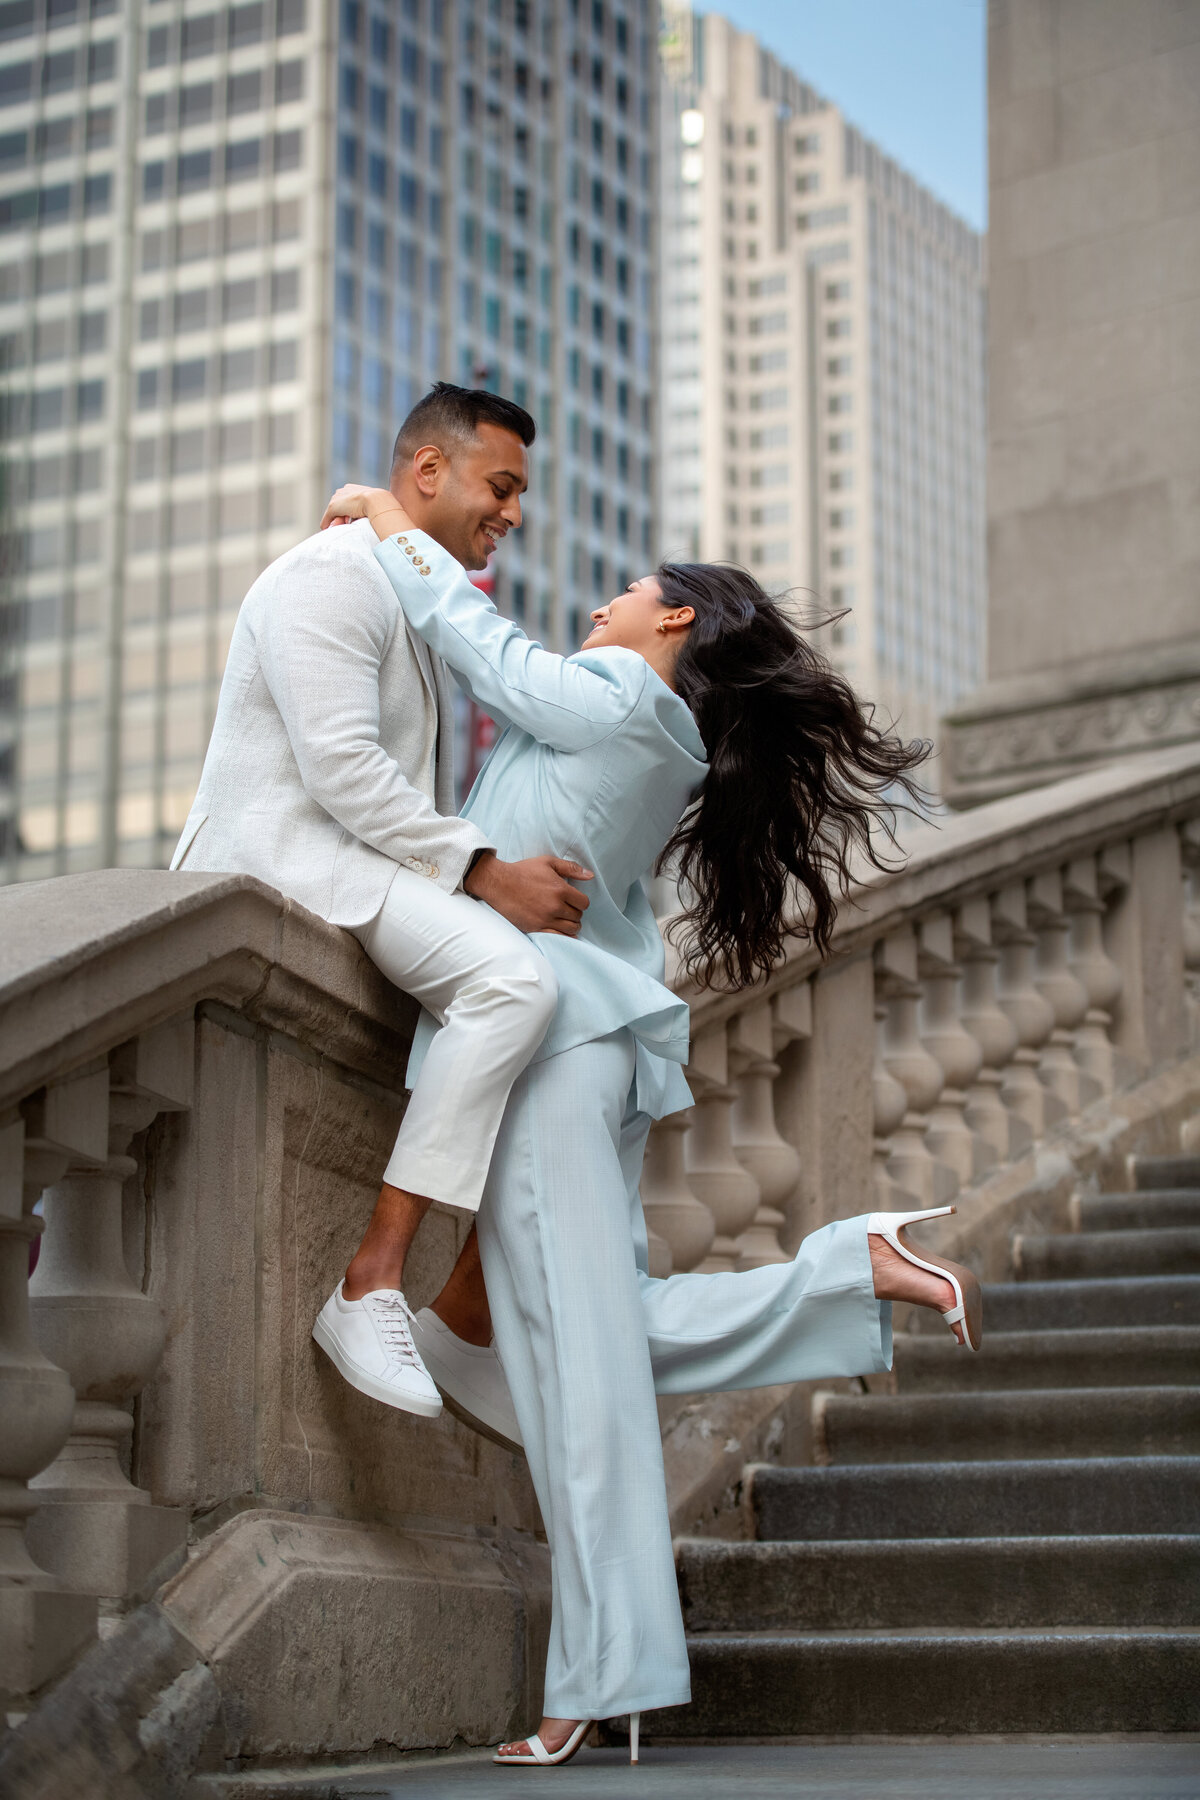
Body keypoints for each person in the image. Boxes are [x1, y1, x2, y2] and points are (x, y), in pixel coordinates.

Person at [319, 481, 984, 1767]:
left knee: (581, 1371)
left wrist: (384, 523)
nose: (596, 602)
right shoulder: (646, 740)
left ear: (672, 620)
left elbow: (486, 653)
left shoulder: (630, 700)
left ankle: (601, 1675)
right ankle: (853, 1266)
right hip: (592, 1047)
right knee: (596, 1339)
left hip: (563, 1052)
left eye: (621, 592)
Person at [170, 383, 595, 1424]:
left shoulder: (399, 582)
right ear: (430, 473)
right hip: (286, 862)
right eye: (502, 486)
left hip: (352, 870)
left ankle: (454, 1305)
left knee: (544, 997)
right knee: (510, 981)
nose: (516, 514)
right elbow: (342, 769)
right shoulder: (327, 575)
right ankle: (373, 1283)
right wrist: (484, 869)